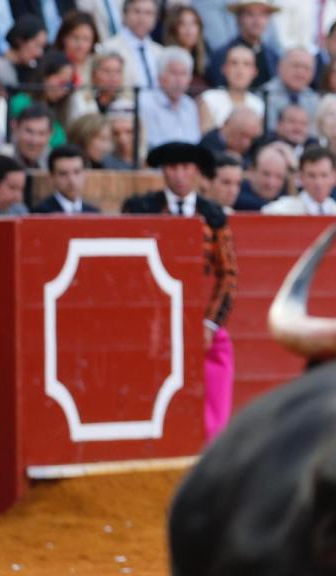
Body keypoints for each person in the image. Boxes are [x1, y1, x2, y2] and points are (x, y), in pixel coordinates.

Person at [121, 142, 238, 441]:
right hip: (151, 322)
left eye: (186, 168)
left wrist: (210, 324)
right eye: (173, 167)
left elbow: (228, 275)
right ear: (163, 171)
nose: (180, 175)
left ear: (197, 172)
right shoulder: (139, 209)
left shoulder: (212, 214)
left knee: (211, 408)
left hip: (199, 320)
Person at [206, 0, 280, 89]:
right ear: (239, 18)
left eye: (262, 15)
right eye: (250, 14)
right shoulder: (222, 55)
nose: (257, 21)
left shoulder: (273, 57)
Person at [139, 47, 201, 149]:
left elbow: (195, 141)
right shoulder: (145, 103)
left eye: (183, 74)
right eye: (174, 73)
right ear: (160, 77)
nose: (179, 80)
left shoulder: (190, 105)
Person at [262, 146, 336, 214]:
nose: (318, 182)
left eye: (324, 175)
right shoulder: (278, 211)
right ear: (301, 177)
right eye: (311, 176)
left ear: (335, 178)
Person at [198, 44, 265, 132]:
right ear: (224, 69)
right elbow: (207, 139)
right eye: (234, 63)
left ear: (255, 72)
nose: (240, 70)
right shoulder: (209, 99)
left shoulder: (258, 104)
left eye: (246, 64)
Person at [101, 0, 163, 90]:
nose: (142, 18)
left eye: (148, 13)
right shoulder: (108, 48)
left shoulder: (160, 52)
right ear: (125, 14)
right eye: (137, 11)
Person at [33, 145, 100, 213]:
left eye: (77, 172)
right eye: (63, 174)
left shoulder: (94, 213)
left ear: (85, 174)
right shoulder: (41, 213)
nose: (72, 180)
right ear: (52, 178)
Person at [162, 5, 209, 93]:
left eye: (193, 23)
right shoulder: (165, 59)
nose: (189, 29)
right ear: (174, 29)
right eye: (182, 24)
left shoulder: (203, 63)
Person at [235, 142, 293, 210]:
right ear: (252, 171)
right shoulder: (236, 194)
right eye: (266, 174)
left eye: (279, 177)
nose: (271, 183)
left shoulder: (285, 195)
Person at [53, 11, 99, 87]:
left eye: (86, 39)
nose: (80, 45)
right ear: (63, 37)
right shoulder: (52, 64)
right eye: (75, 37)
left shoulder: (98, 65)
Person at [0, 16, 47, 88]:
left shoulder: (32, 69)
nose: (40, 53)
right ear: (20, 41)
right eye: (37, 45)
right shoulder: (1, 68)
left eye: (42, 47)